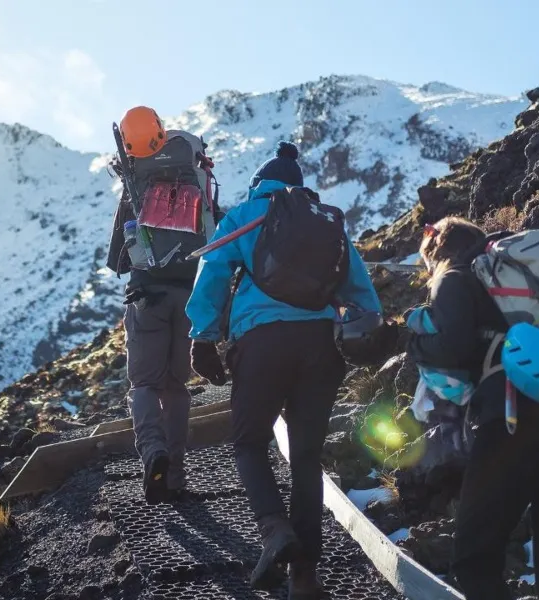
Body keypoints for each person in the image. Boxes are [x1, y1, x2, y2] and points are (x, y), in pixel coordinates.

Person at [185, 142, 383, 598]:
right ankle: (306, 578)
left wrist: (203, 335)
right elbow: (360, 288)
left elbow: (213, 270)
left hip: (262, 344)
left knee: (250, 442)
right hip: (321, 347)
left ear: (260, 182)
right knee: (307, 458)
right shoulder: (324, 221)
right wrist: (369, 329)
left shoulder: (248, 214)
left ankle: (274, 529)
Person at [405, 216, 539, 600]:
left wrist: (412, 344)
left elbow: (452, 346)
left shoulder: (455, 275)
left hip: (516, 420)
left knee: (473, 558)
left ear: (438, 252)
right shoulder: (529, 277)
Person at [105, 107, 221, 505]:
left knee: (144, 384)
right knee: (176, 387)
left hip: (147, 298)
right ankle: (176, 475)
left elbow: (119, 254)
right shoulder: (193, 170)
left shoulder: (136, 177)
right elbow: (214, 225)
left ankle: (152, 452)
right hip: (188, 295)